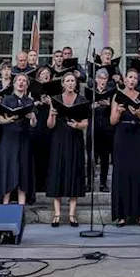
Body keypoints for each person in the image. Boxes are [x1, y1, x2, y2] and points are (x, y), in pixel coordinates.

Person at [110, 69, 140, 226]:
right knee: (122, 172)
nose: (133, 80)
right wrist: (119, 111)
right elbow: (112, 121)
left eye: (135, 78)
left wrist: (138, 112)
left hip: (138, 135)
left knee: (138, 172)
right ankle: (122, 215)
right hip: (122, 134)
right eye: (130, 77)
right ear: (125, 79)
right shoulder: (117, 96)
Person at [46, 71, 88, 227]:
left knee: (74, 172)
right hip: (59, 138)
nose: (70, 83)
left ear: (75, 84)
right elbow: (50, 125)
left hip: (75, 138)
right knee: (58, 172)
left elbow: (86, 122)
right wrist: (52, 114)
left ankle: (72, 213)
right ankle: (56, 213)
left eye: (73, 81)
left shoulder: (82, 100)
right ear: (63, 83)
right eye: (68, 81)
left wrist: (78, 125)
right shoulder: (55, 100)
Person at [0, 71, 37, 205]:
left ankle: (21, 206)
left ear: (27, 84)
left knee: (23, 170)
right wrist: (9, 119)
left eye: (24, 81)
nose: (21, 82)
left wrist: (32, 117)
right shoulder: (6, 99)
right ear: (14, 83)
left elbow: (34, 124)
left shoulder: (29, 101)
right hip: (9, 139)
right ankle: (5, 204)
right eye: (19, 80)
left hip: (23, 139)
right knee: (7, 169)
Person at [90, 63, 116, 192]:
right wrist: (92, 106)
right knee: (91, 157)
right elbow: (82, 110)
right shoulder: (90, 92)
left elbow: (115, 111)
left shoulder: (111, 93)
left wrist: (109, 105)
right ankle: (89, 183)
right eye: (100, 78)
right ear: (96, 79)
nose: (102, 81)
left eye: (104, 78)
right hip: (93, 128)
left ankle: (103, 183)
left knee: (105, 158)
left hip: (106, 129)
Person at [31, 66, 54, 192]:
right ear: (38, 76)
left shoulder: (53, 89)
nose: (45, 75)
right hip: (38, 119)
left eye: (47, 74)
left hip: (49, 119)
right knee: (37, 152)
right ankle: (37, 183)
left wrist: (49, 102)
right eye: (43, 74)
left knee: (48, 153)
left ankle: (46, 183)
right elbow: (30, 103)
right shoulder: (34, 88)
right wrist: (37, 103)